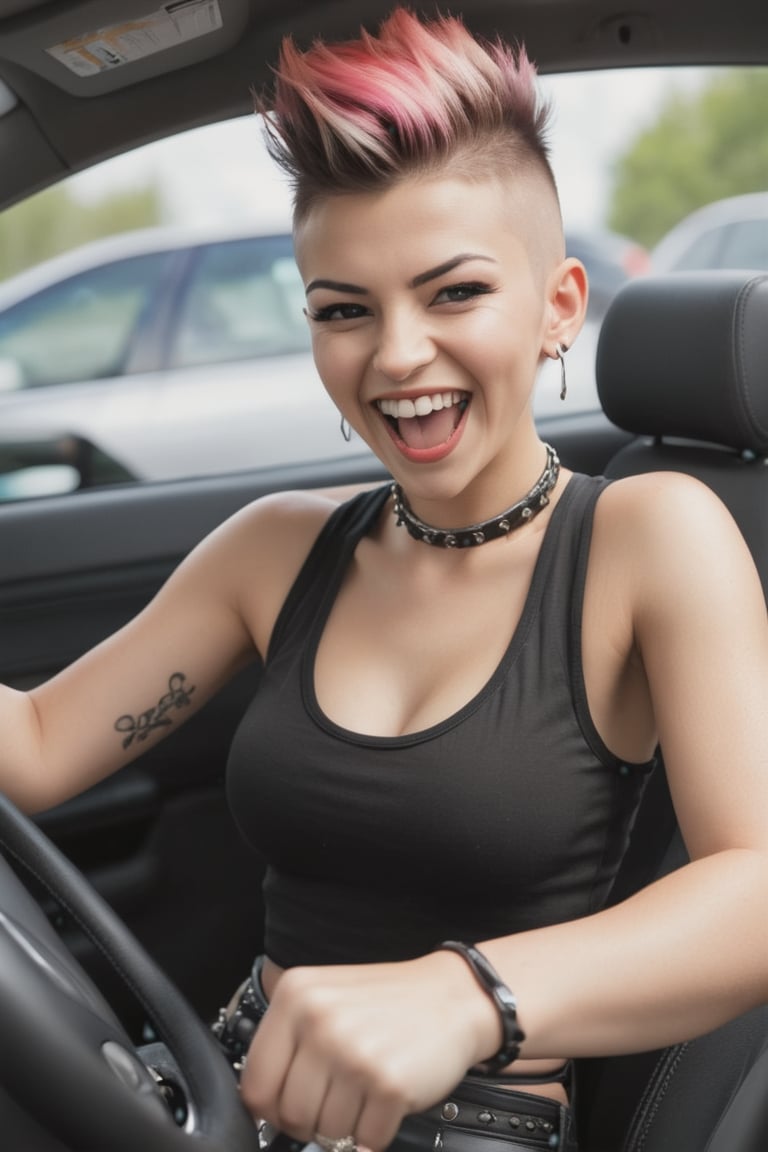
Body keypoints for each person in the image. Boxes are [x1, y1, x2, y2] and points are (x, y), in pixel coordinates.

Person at [2, 8, 768, 1152]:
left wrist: (470, 995)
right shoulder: (278, 548)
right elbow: (39, 744)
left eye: (453, 293)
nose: (396, 354)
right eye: (344, 311)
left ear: (558, 306)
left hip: (477, 1122)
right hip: (236, 1090)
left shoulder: (650, 536)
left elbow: (756, 889)